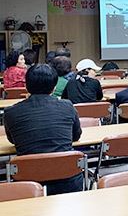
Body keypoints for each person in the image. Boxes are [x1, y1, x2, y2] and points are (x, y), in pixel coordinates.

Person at [3, 64, 82, 195]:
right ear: (54, 87)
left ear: (26, 86)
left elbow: (13, 140)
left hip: (28, 181)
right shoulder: (67, 106)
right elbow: (76, 136)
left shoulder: (10, 112)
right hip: (68, 179)